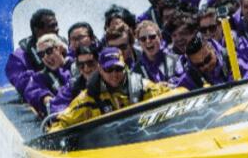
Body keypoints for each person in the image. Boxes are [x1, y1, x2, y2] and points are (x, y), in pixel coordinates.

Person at [46, 47, 178, 133]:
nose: (114, 74)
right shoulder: (88, 98)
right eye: (109, 70)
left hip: (144, 140)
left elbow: (175, 95)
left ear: (125, 67)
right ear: (100, 70)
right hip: (107, 148)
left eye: (118, 69)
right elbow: (61, 122)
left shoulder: (143, 87)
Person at [4, 8, 59, 98]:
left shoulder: (64, 48)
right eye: (52, 26)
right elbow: (22, 83)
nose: (57, 29)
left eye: (56, 25)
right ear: (37, 30)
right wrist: (43, 97)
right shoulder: (18, 58)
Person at [175, 32, 248, 90]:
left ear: (212, 48)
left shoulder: (232, 59)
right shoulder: (190, 77)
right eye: (199, 65)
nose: (205, 66)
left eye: (207, 59)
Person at [22, 33, 72, 115]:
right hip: (62, 115)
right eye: (41, 54)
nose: (45, 57)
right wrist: (45, 98)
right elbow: (32, 92)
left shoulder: (79, 65)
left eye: (49, 51)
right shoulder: (39, 77)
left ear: (59, 48)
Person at [49, 44, 100, 115]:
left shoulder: (110, 77)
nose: (86, 68)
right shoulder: (72, 85)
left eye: (90, 63)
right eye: (81, 65)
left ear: (98, 63)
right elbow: (57, 107)